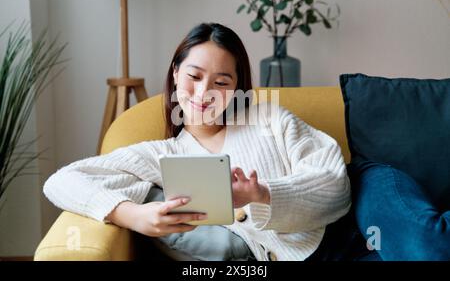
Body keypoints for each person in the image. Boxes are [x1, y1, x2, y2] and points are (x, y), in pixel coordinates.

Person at [44, 22, 353, 261]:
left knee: (382, 182)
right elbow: (62, 181)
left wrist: (262, 193)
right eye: (194, 76)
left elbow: (335, 186)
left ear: (235, 89)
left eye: (221, 82)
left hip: (340, 236)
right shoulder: (162, 154)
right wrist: (133, 215)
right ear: (176, 74)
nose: (205, 92)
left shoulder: (269, 119)